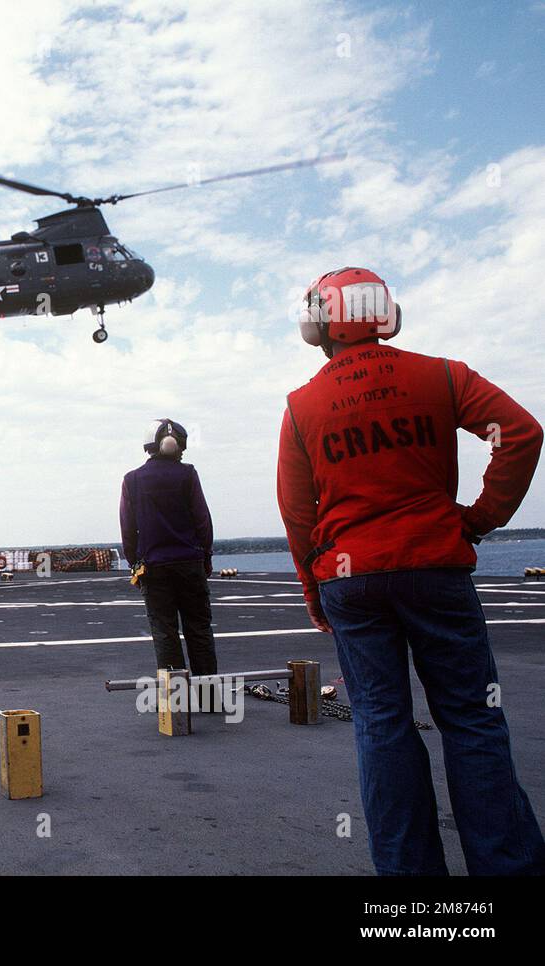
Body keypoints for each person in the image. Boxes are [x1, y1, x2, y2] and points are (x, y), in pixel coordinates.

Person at [277, 265, 545, 876]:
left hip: (351, 581)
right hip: (436, 565)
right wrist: (479, 518)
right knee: (473, 719)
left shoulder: (301, 408)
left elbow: (296, 514)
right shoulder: (443, 375)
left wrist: (315, 591)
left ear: (319, 323)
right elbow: (521, 434)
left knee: (381, 725)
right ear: (386, 315)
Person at [120, 419, 218, 679]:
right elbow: (202, 521)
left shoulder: (132, 480)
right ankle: (208, 697)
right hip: (190, 564)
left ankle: (176, 704)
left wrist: (134, 564)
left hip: (153, 568)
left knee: (164, 633)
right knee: (199, 630)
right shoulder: (187, 474)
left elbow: (128, 529)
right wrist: (205, 558)